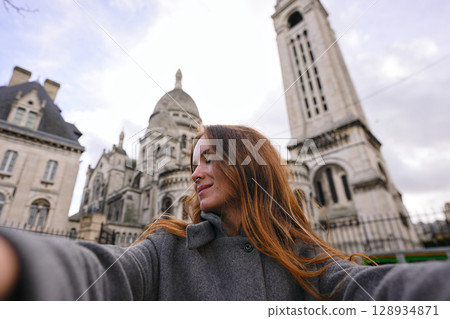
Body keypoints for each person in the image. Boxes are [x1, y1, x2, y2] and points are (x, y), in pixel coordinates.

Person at [0, 124, 449, 301]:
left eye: (209, 158)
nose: (195, 173)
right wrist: (19, 261)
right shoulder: (167, 246)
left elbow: (373, 291)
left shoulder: (301, 257)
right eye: (192, 160)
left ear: (245, 164)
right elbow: (104, 272)